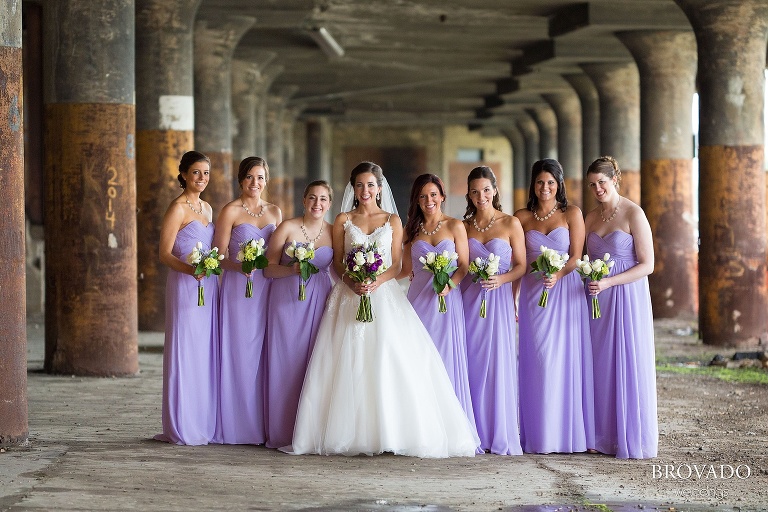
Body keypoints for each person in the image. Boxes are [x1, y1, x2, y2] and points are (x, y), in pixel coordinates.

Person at [287, 161, 480, 457]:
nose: (366, 190)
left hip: (383, 294)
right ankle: (347, 433)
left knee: (387, 358)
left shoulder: (392, 219)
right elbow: (338, 261)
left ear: (379, 188)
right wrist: (352, 281)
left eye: (371, 185)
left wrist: (375, 280)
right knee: (345, 361)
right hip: (349, 295)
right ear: (353, 188)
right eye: (360, 185)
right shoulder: (342, 219)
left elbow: (398, 265)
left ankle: (390, 431)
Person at [514, 158, 595, 454]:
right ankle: (538, 435)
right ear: (532, 185)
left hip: (565, 293)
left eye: (550, 182)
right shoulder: (522, 217)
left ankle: (565, 434)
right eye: (539, 182)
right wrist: (512, 297)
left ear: (559, 184)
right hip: (534, 295)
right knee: (538, 360)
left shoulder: (572, 213)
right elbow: (518, 262)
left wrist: (558, 273)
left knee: (562, 361)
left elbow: (576, 255)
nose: (545, 188)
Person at [584, 156, 658, 459]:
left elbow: (648, 265)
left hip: (626, 298)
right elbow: (583, 259)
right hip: (596, 299)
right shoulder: (590, 218)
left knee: (626, 360)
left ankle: (628, 437)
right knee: (600, 364)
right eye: (592, 184)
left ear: (615, 179)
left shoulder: (633, 214)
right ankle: (601, 436)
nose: (597, 188)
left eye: (602, 182)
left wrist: (610, 282)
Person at [399, 173, 479, 442]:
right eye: (422, 196)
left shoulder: (456, 226)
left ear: (442, 196)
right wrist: (372, 276)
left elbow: (464, 266)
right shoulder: (412, 231)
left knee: (445, 359)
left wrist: (451, 285)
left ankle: (450, 428)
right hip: (418, 301)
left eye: (433, 194)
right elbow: (405, 270)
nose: (428, 200)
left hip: (446, 301)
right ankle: (420, 427)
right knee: (418, 359)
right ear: (417, 201)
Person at [212, 156, 282, 444]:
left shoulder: (275, 212)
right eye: (250, 177)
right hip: (237, 289)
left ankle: (263, 424)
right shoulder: (230, 211)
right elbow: (216, 258)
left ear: (267, 180)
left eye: (261, 177)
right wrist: (240, 266)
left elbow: (278, 253)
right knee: (240, 352)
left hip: (267, 288)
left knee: (265, 353)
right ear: (241, 180)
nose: (256, 183)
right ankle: (237, 425)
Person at [461, 166, 527, 455]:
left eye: (486, 190)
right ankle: (472, 431)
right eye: (475, 191)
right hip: (470, 301)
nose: (481, 196)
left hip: (498, 301)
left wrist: (500, 279)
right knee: (472, 362)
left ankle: (498, 432)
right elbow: (459, 265)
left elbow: (521, 266)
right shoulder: (465, 227)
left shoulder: (511, 223)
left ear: (495, 190)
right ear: (469, 194)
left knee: (498, 363)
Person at [263, 181, 334, 449]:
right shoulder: (287, 227)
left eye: (323, 199)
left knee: (313, 364)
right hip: (286, 303)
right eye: (313, 198)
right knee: (285, 363)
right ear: (304, 200)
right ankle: (282, 430)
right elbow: (268, 269)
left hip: (320, 300)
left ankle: (310, 430)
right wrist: (292, 271)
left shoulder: (333, 232)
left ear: (329, 203)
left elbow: (338, 267)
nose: (318, 204)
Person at [155, 150, 219, 445]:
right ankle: (181, 423)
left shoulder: (207, 209)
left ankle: (201, 419)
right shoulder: (177, 208)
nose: (201, 178)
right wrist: (190, 270)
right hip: (185, 284)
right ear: (183, 174)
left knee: (203, 351)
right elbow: (164, 254)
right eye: (195, 172)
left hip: (209, 286)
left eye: (205, 173)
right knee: (185, 348)